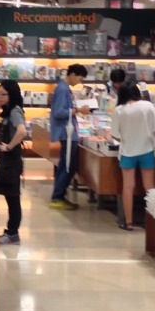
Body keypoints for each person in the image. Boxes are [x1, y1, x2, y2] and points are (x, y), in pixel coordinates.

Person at [110, 82, 155, 231]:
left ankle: (129, 222)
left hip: (127, 152)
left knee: (128, 186)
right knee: (149, 186)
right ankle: (152, 222)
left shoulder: (119, 110)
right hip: (147, 150)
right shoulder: (148, 106)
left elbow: (115, 135)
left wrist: (127, 138)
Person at [49, 63, 89, 209]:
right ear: (72, 74)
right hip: (67, 133)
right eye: (79, 78)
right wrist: (77, 110)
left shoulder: (64, 88)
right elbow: (59, 112)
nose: (79, 82)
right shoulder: (62, 89)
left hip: (69, 132)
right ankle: (57, 197)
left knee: (67, 165)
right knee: (67, 166)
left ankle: (59, 195)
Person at [0, 79, 26, 243]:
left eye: (3, 94)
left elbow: (22, 131)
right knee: (9, 195)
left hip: (12, 160)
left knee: (13, 197)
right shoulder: (7, 111)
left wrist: (9, 146)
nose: (0, 97)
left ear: (11, 95)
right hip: (5, 160)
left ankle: (13, 232)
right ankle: (11, 232)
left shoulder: (15, 111)